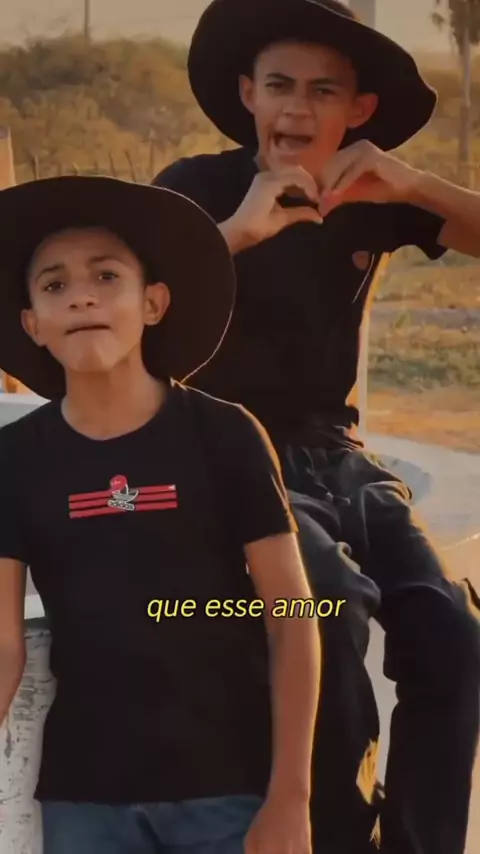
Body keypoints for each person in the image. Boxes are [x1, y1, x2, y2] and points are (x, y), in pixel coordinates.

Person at [153, 1, 480, 853]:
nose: (297, 109)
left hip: (341, 457)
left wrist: (411, 184)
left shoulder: (369, 198)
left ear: (358, 110)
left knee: (454, 630)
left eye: (323, 91)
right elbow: (125, 300)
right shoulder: (196, 187)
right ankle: (335, 835)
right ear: (248, 95)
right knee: (327, 606)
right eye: (280, 86)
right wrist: (238, 232)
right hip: (226, 451)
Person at [0, 174, 321, 854]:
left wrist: (292, 796)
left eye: (105, 276)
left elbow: (293, 618)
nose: (81, 295)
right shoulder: (14, 457)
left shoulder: (225, 434)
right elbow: (2, 644)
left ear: (153, 303)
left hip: (228, 792)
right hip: (84, 798)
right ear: (33, 324)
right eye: (54, 285)